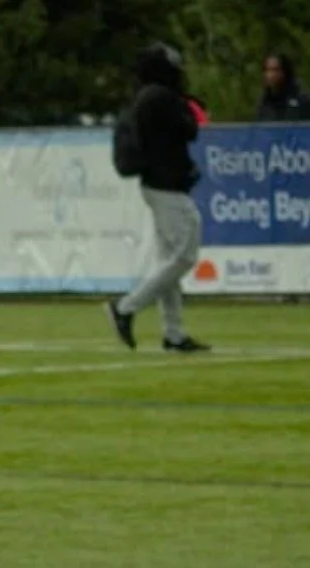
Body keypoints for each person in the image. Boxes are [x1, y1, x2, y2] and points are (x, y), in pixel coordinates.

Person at [107, 44, 211, 353]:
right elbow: (191, 129)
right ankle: (126, 307)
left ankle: (174, 333)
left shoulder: (144, 97)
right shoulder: (162, 98)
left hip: (156, 183)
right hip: (168, 185)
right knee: (183, 257)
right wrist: (187, 105)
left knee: (169, 260)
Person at [256, 52, 310, 122]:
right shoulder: (265, 101)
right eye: (266, 70)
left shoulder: (303, 99)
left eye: (275, 70)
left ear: (284, 72)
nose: (270, 75)